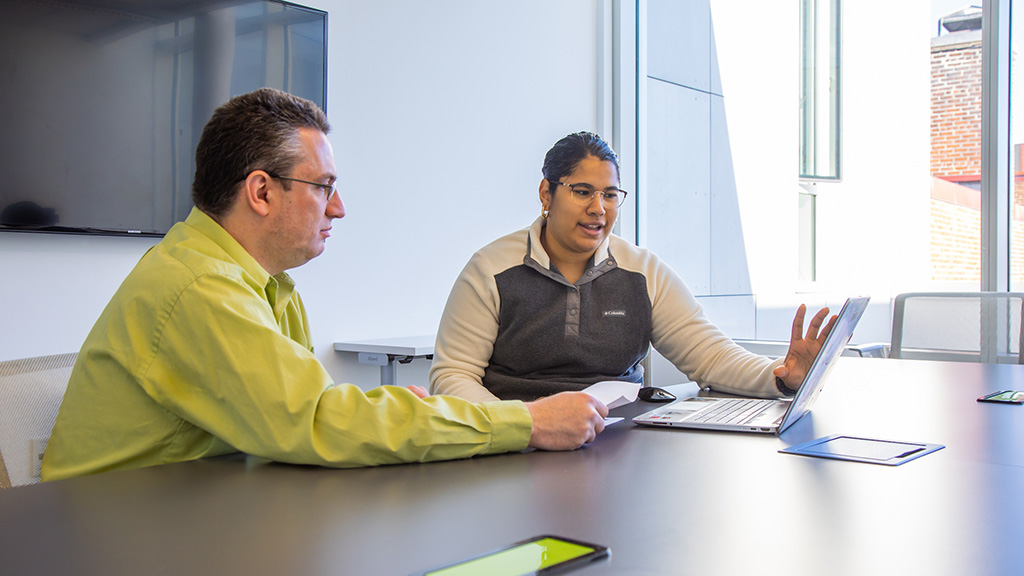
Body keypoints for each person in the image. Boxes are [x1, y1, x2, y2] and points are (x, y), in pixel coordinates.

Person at [41, 89, 606, 482]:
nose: (338, 208)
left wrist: (376, 413)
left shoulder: (268, 285)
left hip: (197, 505)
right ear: (261, 192)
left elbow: (298, 416)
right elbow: (316, 422)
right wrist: (525, 421)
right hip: (113, 533)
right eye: (323, 187)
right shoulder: (199, 287)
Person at [429, 131, 836, 403]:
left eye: (610, 194)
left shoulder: (643, 271)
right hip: (517, 446)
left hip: (618, 443)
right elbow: (453, 378)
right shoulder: (490, 270)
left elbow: (710, 357)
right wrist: (526, 423)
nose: (598, 209)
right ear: (546, 193)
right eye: (583, 192)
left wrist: (780, 375)